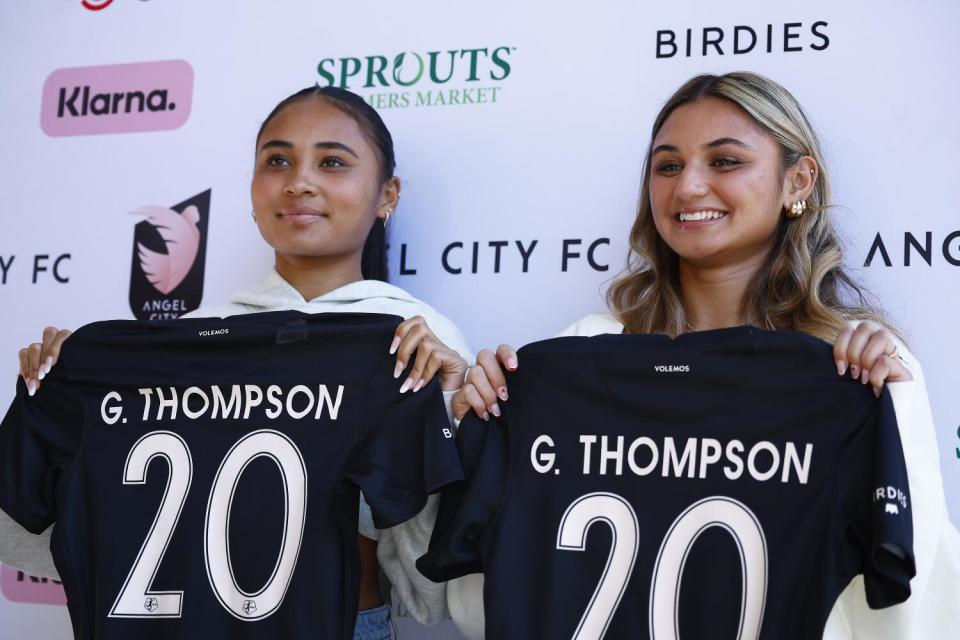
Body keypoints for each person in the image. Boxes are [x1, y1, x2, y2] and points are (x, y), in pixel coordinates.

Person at [449, 72, 959, 639]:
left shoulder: (853, 366)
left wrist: (889, 404)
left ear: (798, 180)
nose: (688, 187)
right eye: (668, 166)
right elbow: (480, 600)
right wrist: (483, 421)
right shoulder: (586, 350)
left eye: (724, 161)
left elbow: (911, 605)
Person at [6, 86, 473, 639]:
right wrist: (57, 406)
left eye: (332, 162)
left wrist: (445, 411)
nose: (299, 181)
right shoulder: (180, 344)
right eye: (277, 160)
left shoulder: (422, 343)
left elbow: (433, 588)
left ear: (386, 194)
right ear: (253, 188)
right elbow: (42, 542)